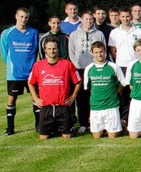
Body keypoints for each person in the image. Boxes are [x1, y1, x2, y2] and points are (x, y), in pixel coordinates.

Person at [27, 36, 81, 140]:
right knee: (43, 137)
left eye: (54, 48)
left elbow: (78, 82)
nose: (52, 51)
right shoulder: (38, 65)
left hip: (62, 107)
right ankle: (54, 128)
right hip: (46, 107)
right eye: (49, 49)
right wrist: (35, 98)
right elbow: (30, 82)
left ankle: (66, 127)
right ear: (45, 50)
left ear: (58, 49)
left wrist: (73, 96)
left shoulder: (67, 64)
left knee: (67, 136)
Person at [1, 7, 40, 135]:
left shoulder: (33, 33)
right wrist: (13, 66)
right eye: (21, 17)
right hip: (14, 74)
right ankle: (10, 128)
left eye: (26, 17)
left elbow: (35, 51)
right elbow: (4, 52)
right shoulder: (7, 33)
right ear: (16, 16)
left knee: (36, 98)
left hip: (31, 73)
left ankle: (39, 126)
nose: (24, 20)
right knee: (11, 100)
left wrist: (31, 68)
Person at [107, 7, 141, 125]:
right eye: (123, 16)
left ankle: (137, 118)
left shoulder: (139, 31)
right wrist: (119, 61)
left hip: (136, 66)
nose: (125, 19)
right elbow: (113, 50)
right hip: (121, 66)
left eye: (127, 16)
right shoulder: (114, 33)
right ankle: (124, 118)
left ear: (131, 16)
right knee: (122, 93)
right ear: (119, 17)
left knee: (135, 92)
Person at [69, 11, 106, 133]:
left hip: (95, 69)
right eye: (86, 19)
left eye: (91, 19)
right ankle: (83, 123)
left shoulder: (99, 34)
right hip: (79, 69)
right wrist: (77, 66)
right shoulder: (74, 34)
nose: (89, 22)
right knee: (81, 98)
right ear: (82, 20)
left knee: (95, 95)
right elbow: (72, 52)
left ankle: (95, 122)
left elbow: (103, 50)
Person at [84, 41, 125, 138]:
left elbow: (122, 84)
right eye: (96, 52)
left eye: (101, 52)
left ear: (105, 52)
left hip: (111, 106)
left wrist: (113, 93)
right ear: (92, 53)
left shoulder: (114, 67)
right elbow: (89, 87)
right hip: (96, 107)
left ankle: (121, 125)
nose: (99, 54)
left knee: (113, 136)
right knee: (97, 136)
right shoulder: (89, 69)